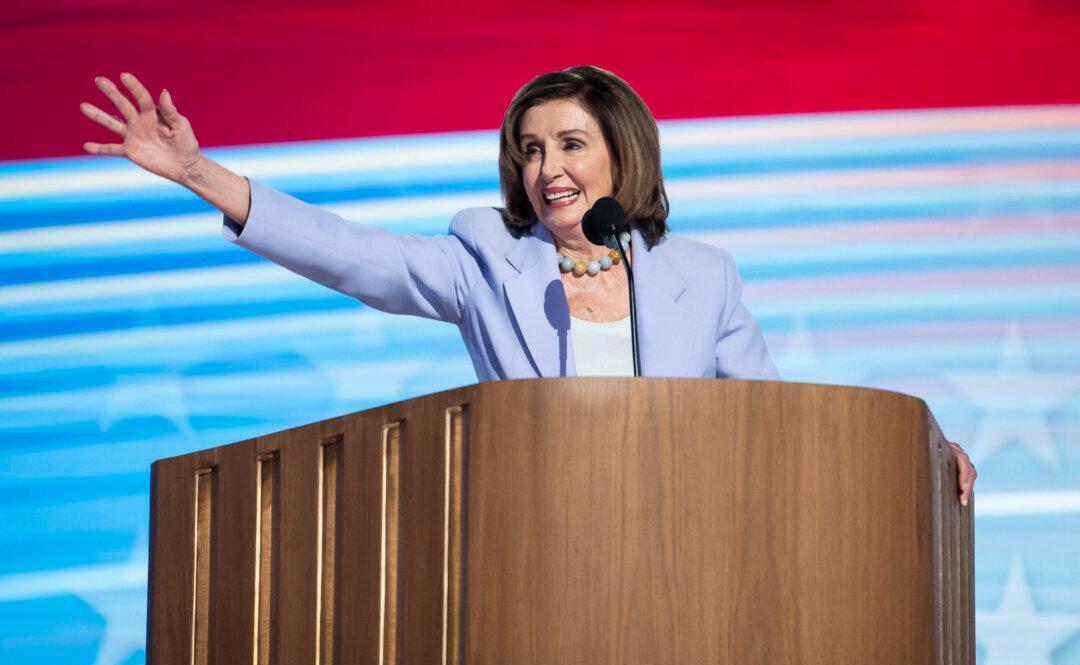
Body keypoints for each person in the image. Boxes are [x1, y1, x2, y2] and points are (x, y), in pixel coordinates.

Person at [79, 66, 976, 503]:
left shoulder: (702, 275)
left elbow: (783, 426)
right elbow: (351, 251)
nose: (547, 167)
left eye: (571, 145)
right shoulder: (485, 257)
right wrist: (202, 176)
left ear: (625, 152)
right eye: (532, 149)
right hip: (535, 534)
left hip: (685, 542)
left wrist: (920, 460)